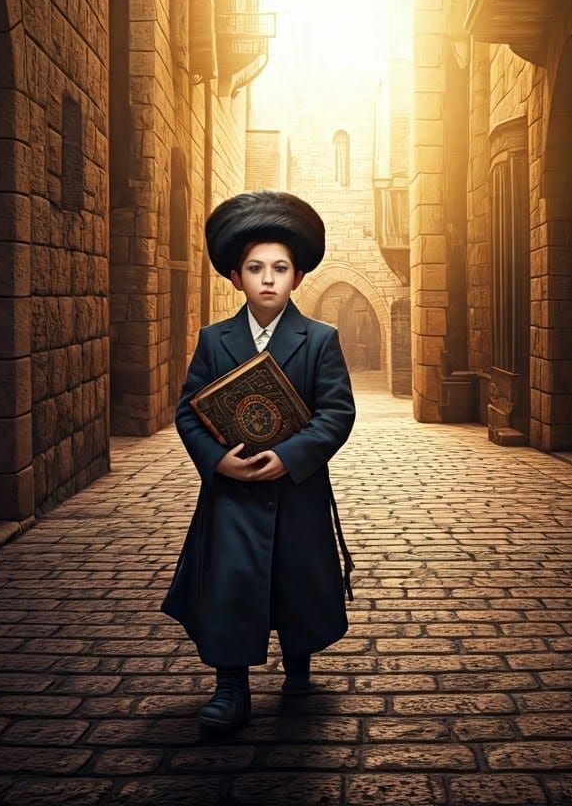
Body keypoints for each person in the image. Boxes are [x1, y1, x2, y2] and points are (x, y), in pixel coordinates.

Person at [161, 190, 357, 734]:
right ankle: (230, 688)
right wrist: (217, 463)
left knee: (298, 580)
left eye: (279, 268)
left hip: (296, 491)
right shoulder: (213, 340)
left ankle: (299, 666)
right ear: (234, 277)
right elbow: (188, 413)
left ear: (297, 278)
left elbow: (336, 413)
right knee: (231, 581)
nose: (267, 279)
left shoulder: (320, 340)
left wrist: (291, 456)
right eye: (255, 268)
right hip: (231, 495)